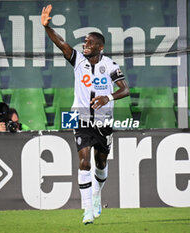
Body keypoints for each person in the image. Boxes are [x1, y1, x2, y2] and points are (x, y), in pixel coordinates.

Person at [41, 5, 130, 225]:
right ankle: (87, 209)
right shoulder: (77, 60)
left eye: (89, 42)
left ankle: (97, 197)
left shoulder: (110, 65)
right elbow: (61, 43)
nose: (85, 44)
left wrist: (107, 97)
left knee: (100, 162)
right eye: (85, 42)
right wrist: (47, 27)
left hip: (104, 121)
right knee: (84, 161)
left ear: (100, 46)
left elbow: (125, 90)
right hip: (80, 118)